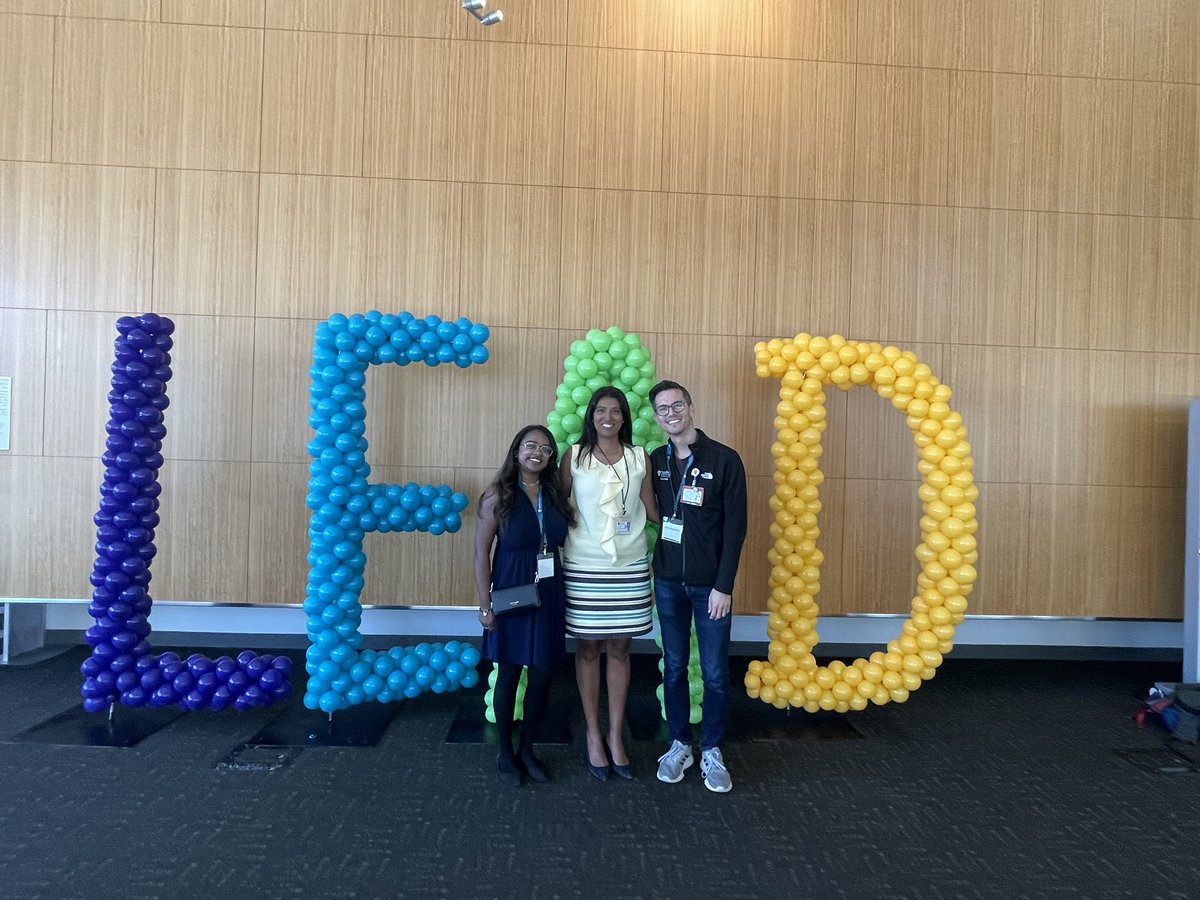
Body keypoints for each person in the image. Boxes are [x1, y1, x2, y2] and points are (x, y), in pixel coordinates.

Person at [647, 380, 747, 793]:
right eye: (662, 409)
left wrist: (724, 586)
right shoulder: (656, 459)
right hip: (668, 581)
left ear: (690, 407)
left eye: (676, 406)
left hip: (711, 588)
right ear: (656, 417)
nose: (670, 414)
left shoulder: (724, 460)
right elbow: (654, 510)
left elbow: (736, 527)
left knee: (714, 673)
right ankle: (679, 744)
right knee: (672, 666)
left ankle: (711, 750)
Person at [561, 386, 658, 781]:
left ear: (624, 418)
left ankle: (616, 736)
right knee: (587, 649)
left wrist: (698, 519)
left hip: (630, 566)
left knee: (620, 648)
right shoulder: (574, 456)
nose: (608, 417)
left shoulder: (639, 458)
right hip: (584, 566)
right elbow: (555, 505)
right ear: (591, 416)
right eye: (601, 410)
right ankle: (592, 736)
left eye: (616, 411)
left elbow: (653, 509)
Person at [475, 425, 575, 787]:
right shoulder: (497, 496)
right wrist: (485, 607)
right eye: (530, 445)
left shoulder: (555, 494)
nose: (538, 452)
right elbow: (480, 553)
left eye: (546, 448)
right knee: (510, 675)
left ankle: (528, 749)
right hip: (511, 594)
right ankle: (505, 751)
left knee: (543, 676)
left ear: (551, 458)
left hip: (549, 593)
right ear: (516, 450)